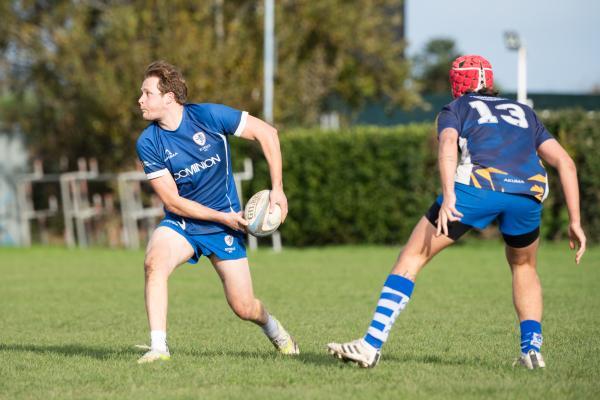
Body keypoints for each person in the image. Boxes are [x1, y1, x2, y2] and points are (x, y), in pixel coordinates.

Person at [327, 55, 586, 369]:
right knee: (524, 266)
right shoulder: (524, 111)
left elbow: (448, 142)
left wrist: (449, 195)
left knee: (412, 256)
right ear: (489, 80)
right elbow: (566, 163)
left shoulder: (456, 108)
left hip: (477, 187)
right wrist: (575, 221)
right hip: (527, 194)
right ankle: (532, 351)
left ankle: (370, 345)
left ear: (457, 82)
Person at [135, 60, 299, 364]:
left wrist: (277, 188)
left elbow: (268, 134)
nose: (140, 100)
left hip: (226, 226)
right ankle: (158, 347)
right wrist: (221, 216)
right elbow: (171, 201)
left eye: (147, 93)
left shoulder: (208, 116)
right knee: (154, 262)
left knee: (244, 307)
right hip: (183, 223)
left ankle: (275, 330)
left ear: (168, 97)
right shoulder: (148, 142)